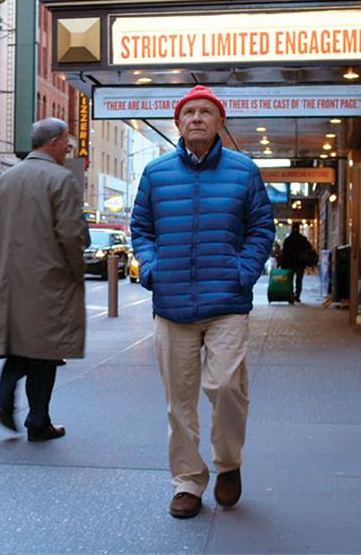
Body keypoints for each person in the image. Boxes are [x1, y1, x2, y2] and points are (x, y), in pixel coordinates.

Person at [131, 85, 274, 519]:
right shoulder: (155, 173)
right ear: (178, 123)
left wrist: (242, 272)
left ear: (219, 122)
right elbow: (141, 230)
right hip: (172, 305)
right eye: (189, 112)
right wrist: (153, 269)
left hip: (226, 301)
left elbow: (261, 230)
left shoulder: (243, 171)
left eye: (205, 112)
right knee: (179, 401)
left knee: (227, 387)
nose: (196, 118)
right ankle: (188, 482)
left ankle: (228, 463)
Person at [0, 117, 87, 442]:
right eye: (67, 145)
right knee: (45, 349)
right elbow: (71, 234)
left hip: (10, 279)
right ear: (55, 142)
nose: (67, 150)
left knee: (27, 345)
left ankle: (19, 404)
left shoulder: (6, 179)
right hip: (50, 280)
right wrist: (76, 273)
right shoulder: (61, 179)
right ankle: (36, 419)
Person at [278, 222, 313, 303]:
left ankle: (290, 296)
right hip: (300, 264)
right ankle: (297, 296)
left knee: (289, 281)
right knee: (299, 281)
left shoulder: (288, 240)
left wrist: (282, 265)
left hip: (290, 264)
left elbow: (284, 254)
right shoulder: (303, 239)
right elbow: (309, 250)